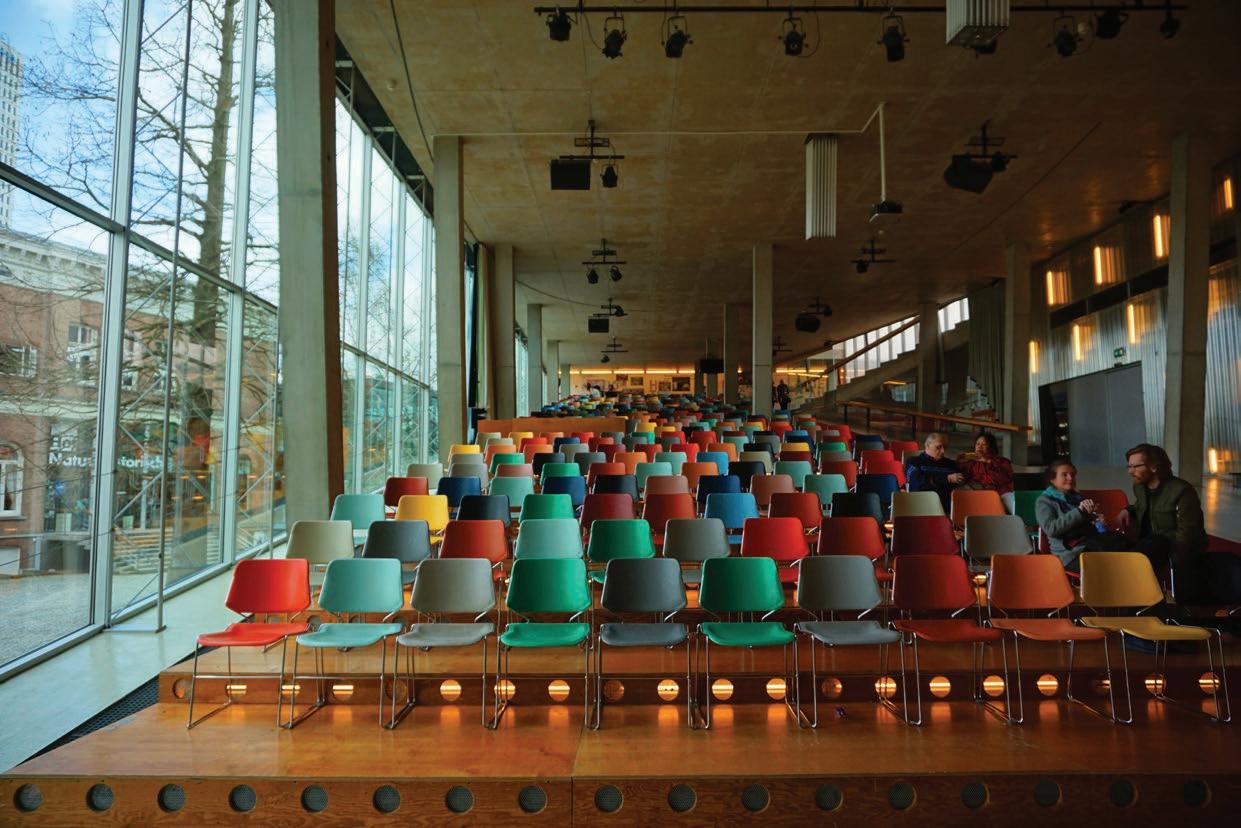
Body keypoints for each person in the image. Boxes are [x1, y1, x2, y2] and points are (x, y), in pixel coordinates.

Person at [1114, 443, 1208, 603]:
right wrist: (1127, 510)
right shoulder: (1139, 487)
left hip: (1171, 543)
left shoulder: (1182, 491)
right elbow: (1142, 505)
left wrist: (1176, 558)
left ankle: (1136, 600)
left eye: (1136, 466)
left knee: (1143, 554)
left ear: (1154, 467)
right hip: (1146, 542)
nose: (1130, 471)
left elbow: (1188, 531)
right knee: (1111, 546)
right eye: (1129, 466)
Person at [1035, 458, 1126, 572]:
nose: (1070, 478)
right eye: (1064, 475)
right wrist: (1079, 511)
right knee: (1114, 567)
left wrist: (1097, 521)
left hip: (1091, 547)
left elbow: (1089, 526)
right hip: (1071, 555)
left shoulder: (1078, 498)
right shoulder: (1044, 501)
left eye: (1072, 475)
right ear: (1052, 479)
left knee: (1126, 549)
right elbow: (1051, 529)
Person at [905, 432, 962, 512]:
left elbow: (959, 483)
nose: (943, 451)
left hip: (946, 508)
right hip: (920, 507)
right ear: (927, 445)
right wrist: (947, 479)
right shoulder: (914, 462)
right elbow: (918, 483)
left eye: (945, 447)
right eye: (938, 447)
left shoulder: (950, 464)